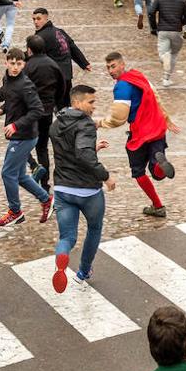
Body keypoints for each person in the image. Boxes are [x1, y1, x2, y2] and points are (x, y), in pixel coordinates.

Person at [0, 48, 53, 227]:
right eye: (12, 63)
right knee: (19, 175)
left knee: (7, 173)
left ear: (24, 64)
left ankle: (15, 212)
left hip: (24, 136)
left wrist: (16, 124)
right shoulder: (8, 78)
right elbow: (6, 94)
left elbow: (37, 110)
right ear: (6, 63)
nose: (15, 67)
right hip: (18, 135)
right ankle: (46, 199)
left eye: (19, 64)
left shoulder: (26, 85)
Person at [50, 84, 113, 292]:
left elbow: (69, 151)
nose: (94, 107)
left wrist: (93, 147)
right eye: (91, 102)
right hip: (87, 190)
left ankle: (62, 258)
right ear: (77, 103)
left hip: (62, 189)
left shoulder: (56, 125)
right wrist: (106, 176)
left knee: (67, 237)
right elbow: (83, 155)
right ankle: (83, 271)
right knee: (94, 229)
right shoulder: (85, 125)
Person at [101, 51, 179, 218]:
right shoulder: (139, 76)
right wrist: (166, 118)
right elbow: (156, 97)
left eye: (113, 66)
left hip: (140, 132)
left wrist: (99, 123)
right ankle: (159, 165)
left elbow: (119, 117)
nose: (110, 71)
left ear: (122, 64)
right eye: (108, 68)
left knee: (138, 171)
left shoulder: (122, 86)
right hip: (157, 127)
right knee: (156, 172)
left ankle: (158, 206)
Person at [23, 35, 65, 192]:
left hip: (31, 112)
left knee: (20, 142)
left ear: (29, 49)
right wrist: (54, 102)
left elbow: (22, 88)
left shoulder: (28, 67)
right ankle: (45, 185)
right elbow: (62, 86)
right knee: (42, 148)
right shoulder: (53, 65)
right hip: (47, 111)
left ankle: (33, 165)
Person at [32, 8, 91, 107]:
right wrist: (84, 63)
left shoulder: (41, 36)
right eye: (34, 19)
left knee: (55, 107)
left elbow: (35, 56)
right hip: (66, 76)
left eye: (38, 19)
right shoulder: (60, 31)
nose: (35, 22)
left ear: (46, 19)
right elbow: (72, 47)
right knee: (66, 105)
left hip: (55, 77)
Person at [149, 0, 186, 87]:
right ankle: (166, 78)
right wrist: (181, 23)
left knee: (163, 54)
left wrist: (154, 27)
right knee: (173, 54)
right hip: (176, 30)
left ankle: (165, 61)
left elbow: (151, 12)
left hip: (163, 30)